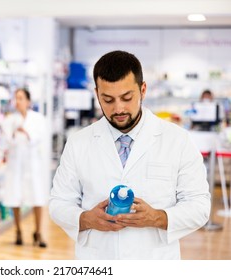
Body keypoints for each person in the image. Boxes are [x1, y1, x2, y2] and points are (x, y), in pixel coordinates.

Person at [49, 50, 211, 259]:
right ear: (97, 94)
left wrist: (159, 218)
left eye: (127, 97)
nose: (118, 108)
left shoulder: (177, 140)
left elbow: (200, 206)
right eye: (107, 100)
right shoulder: (79, 142)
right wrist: (85, 219)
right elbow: (58, 202)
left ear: (143, 90)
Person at [1, 88, 48, 248]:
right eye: (16, 98)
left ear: (28, 101)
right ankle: (18, 231)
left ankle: (38, 232)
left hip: (33, 164)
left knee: (37, 196)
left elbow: (39, 137)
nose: (18, 101)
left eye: (21, 98)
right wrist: (14, 134)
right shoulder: (9, 120)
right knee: (15, 196)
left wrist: (26, 133)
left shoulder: (38, 119)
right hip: (16, 164)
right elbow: (7, 140)